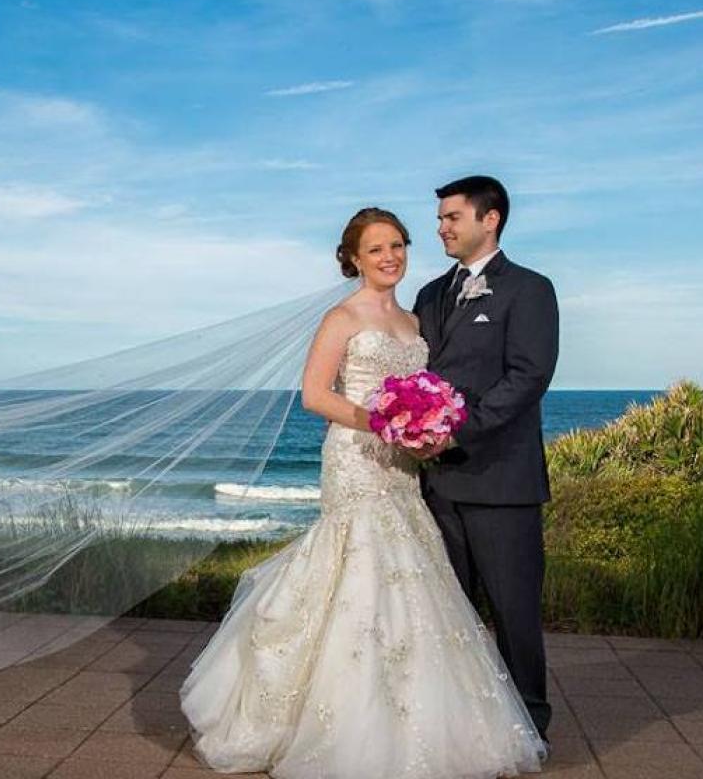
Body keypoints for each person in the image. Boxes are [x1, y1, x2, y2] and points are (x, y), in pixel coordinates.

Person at [179, 206, 546, 778]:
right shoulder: (341, 318)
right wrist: (383, 424)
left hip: (403, 466)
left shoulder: (417, 320)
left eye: (398, 245)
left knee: (412, 576)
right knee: (356, 566)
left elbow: (430, 388)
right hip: (356, 457)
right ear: (353, 258)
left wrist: (422, 429)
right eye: (376, 249)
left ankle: (412, 717)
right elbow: (314, 395)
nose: (390, 257)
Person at [412, 175, 560, 742]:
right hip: (435, 486)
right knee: (446, 613)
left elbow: (528, 377)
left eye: (452, 217)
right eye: (441, 219)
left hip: (502, 482)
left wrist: (456, 433)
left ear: (489, 218)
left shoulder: (529, 289)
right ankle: (458, 726)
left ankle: (529, 727)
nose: (442, 228)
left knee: (514, 613)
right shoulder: (429, 294)